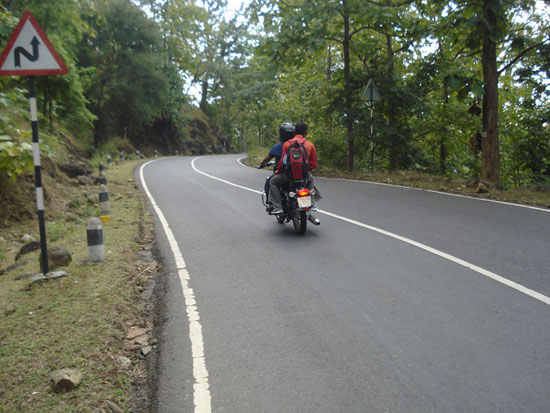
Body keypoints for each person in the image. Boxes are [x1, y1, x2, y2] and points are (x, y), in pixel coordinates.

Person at [269, 122, 318, 214]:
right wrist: (306, 171)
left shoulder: (287, 144)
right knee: (310, 179)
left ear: (294, 132)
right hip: (303, 176)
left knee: (273, 181)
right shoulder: (310, 145)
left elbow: (283, 162)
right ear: (305, 133)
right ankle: (312, 202)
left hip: (288, 176)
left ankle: (279, 206)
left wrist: (278, 171)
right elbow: (313, 164)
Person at [258, 123, 295, 209]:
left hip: (284, 174)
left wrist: (262, 164)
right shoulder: (298, 146)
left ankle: (275, 204)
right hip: (298, 174)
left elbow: (268, 158)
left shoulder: (278, 147)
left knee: (270, 181)